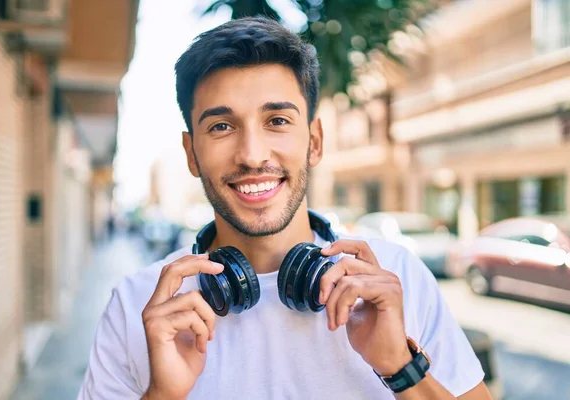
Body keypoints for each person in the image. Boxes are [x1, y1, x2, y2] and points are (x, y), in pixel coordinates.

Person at [78, 17, 492, 400]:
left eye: (276, 120)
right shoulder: (137, 306)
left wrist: (402, 368)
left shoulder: (397, 278)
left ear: (314, 141)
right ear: (191, 154)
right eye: (221, 126)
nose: (253, 155)